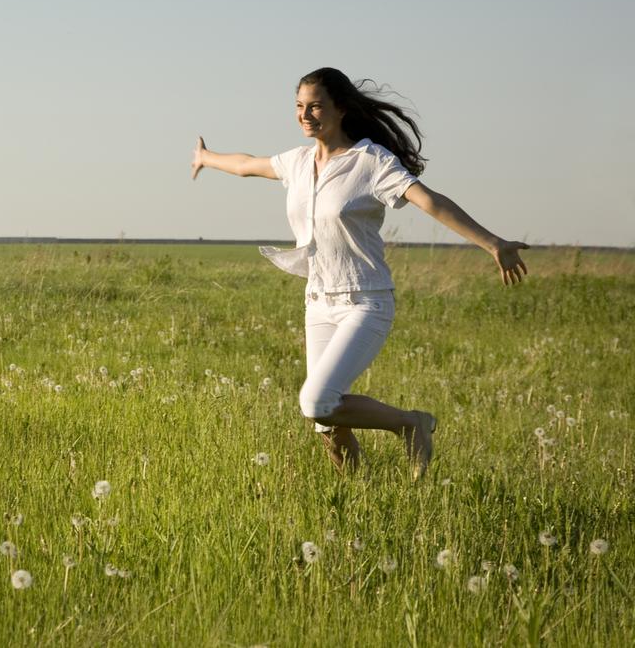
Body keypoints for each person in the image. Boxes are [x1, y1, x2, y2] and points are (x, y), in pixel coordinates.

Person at [191, 67, 528, 478]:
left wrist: (492, 242)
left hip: (365, 302)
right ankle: (358, 493)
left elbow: (431, 201)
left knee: (317, 401)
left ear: (342, 109)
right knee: (326, 421)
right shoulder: (297, 162)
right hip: (317, 302)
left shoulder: (370, 162)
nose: (305, 115)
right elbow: (246, 164)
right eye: (299, 106)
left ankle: (411, 423)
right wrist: (206, 158)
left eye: (315, 106)